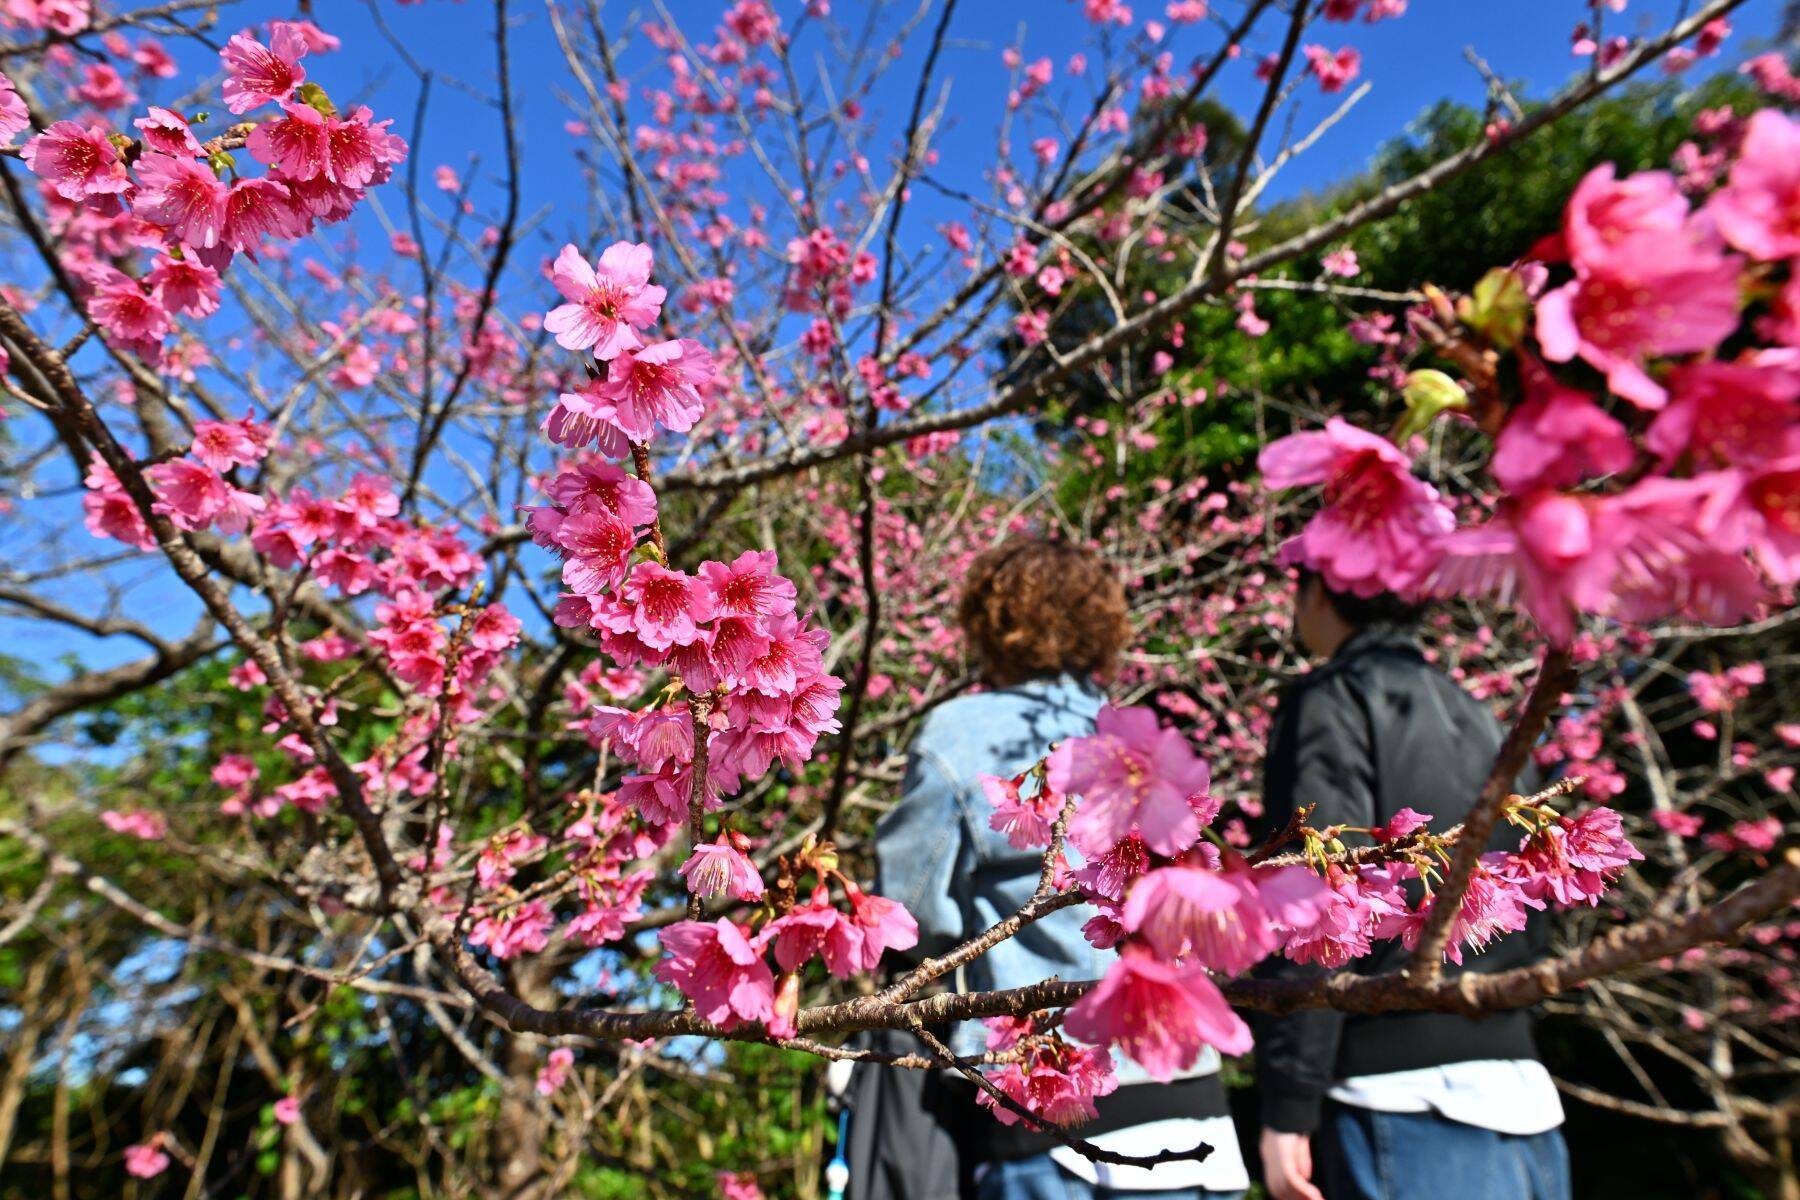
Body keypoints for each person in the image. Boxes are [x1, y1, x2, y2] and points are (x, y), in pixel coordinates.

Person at [874, 537, 1250, 1200]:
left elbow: (910, 916)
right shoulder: (1146, 738)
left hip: (1047, 1095)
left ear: (989, 624)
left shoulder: (960, 733)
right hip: (1190, 1100)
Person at [1252, 569, 1570, 1200]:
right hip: (1522, 1091)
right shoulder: (1478, 712)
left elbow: (1317, 900)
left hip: (1399, 1096)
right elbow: (1537, 895)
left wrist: (1288, 1104)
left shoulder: (1331, 699)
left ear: (1319, 593)